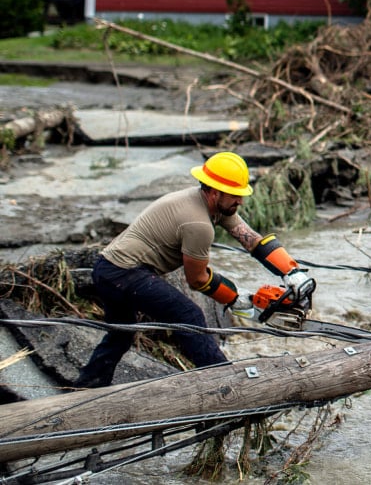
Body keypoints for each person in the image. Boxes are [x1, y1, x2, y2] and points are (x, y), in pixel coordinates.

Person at [74, 151, 306, 388]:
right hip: (124, 273)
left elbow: (251, 239)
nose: (241, 201)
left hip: (109, 269)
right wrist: (236, 299)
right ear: (215, 192)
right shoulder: (198, 224)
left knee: (121, 334)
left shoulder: (211, 203)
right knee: (189, 317)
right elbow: (197, 279)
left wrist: (291, 271)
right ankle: (226, 386)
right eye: (235, 196)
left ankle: (86, 386)